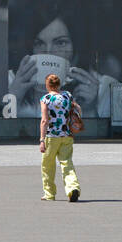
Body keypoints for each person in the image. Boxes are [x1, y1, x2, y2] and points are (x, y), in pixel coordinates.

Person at [39, 73, 81, 202]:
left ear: (47, 85)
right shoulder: (67, 95)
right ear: (59, 84)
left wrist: (42, 139)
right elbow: (78, 108)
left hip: (51, 136)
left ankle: (49, 194)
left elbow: (45, 120)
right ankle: (72, 188)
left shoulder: (45, 99)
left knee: (48, 166)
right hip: (67, 135)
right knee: (67, 163)